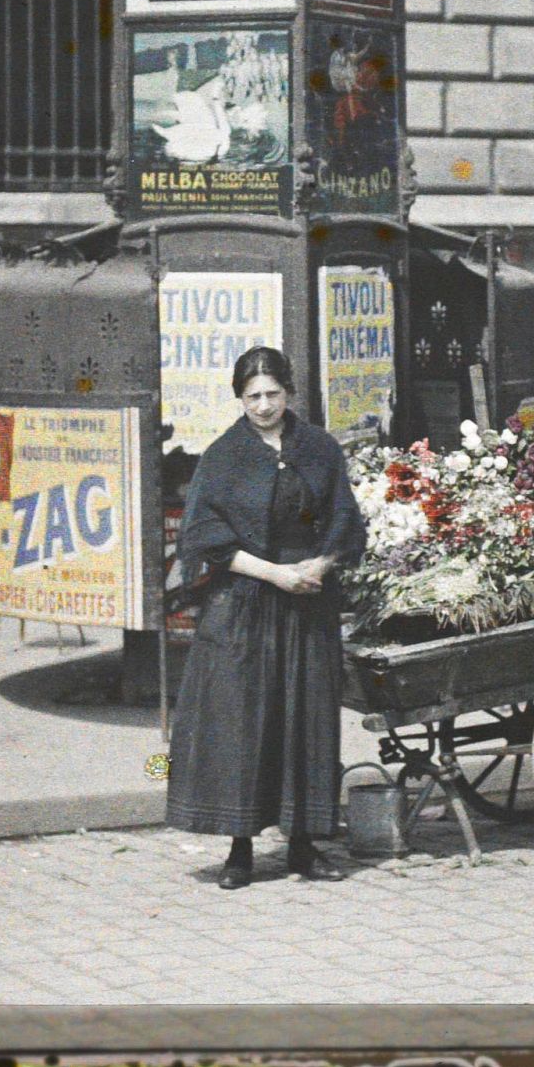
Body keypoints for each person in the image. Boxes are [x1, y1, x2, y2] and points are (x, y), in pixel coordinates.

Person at [166, 346, 366, 889]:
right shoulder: (224, 456)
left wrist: (318, 565)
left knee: (305, 719)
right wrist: (275, 575)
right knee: (244, 722)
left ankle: (303, 846)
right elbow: (206, 535)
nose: (262, 406)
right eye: (252, 396)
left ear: (289, 392)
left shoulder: (318, 448)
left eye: (272, 394)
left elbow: (345, 520)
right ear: (238, 398)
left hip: (309, 604)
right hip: (246, 605)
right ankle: (240, 850)